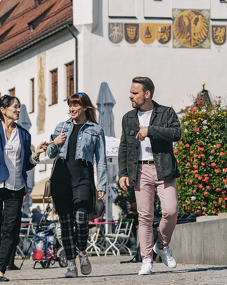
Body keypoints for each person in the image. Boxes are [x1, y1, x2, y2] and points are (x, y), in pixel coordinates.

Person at [0, 94, 47, 282]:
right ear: (3, 110)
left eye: (19, 107)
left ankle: (0, 269)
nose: (18, 110)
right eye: (15, 107)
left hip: (16, 186)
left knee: (11, 228)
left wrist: (36, 155)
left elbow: (28, 164)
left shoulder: (24, 134)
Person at [118, 77, 181, 276]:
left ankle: (161, 246)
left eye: (134, 93)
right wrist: (123, 173)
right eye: (130, 92)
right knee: (144, 216)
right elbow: (124, 146)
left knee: (171, 211)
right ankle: (147, 260)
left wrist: (150, 131)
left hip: (163, 167)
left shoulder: (166, 112)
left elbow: (176, 133)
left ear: (147, 94)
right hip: (139, 170)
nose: (130, 96)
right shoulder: (128, 117)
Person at [47, 92, 107, 278]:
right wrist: (55, 143)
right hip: (61, 178)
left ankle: (82, 252)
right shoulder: (61, 127)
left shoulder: (95, 130)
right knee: (65, 224)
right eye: (70, 105)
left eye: (75, 105)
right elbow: (50, 153)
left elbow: (101, 159)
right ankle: (71, 265)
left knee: (81, 219)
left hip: (83, 178)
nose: (72, 109)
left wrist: (102, 183)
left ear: (85, 108)